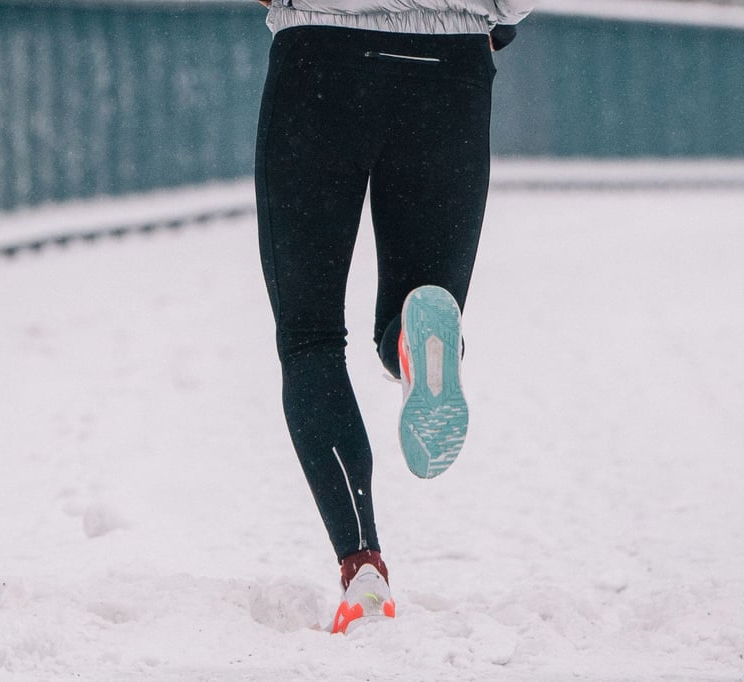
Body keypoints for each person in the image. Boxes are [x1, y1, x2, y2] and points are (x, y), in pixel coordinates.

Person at [252, 0, 532, 633]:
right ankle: (412, 343)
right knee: (424, 296)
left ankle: (363, 569)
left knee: (310, 336)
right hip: (449, 65)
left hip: (317, 60)